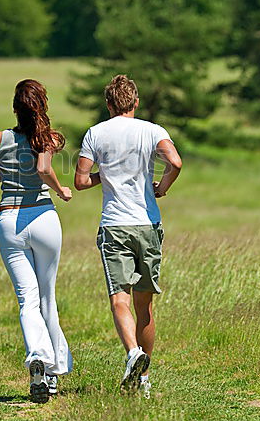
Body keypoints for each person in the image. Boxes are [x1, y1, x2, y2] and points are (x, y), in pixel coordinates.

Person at [74, 74, 182, 398]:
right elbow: (175, 162)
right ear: (135, 102)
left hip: (115, 225)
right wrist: (160, 187)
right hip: (148, 224)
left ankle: (133, 353)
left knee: (118, 299)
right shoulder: (153, 131)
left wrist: (102, 176)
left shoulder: (96, 133)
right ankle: (144, 380)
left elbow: (80, 181)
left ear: (108, 104)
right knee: (144, 305)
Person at [0, 79, 74, 404]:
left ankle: (37, 357)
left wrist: (6, 171)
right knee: (48, 297)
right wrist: (61, 191)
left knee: (26, 299)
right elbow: (44, 168)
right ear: (42, 106)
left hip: (10, 220)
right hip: (44, 217)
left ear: (15, 108)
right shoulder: (47, 138)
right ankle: (54, 373)